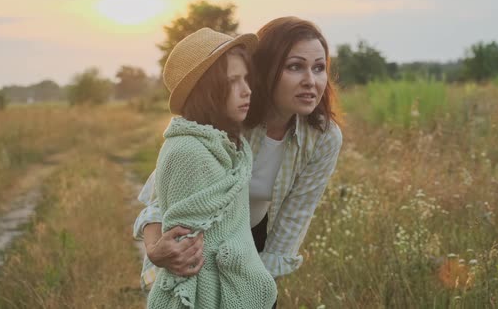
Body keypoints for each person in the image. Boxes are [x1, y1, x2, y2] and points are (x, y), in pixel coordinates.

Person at [134, 17, 343, 304]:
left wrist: (252, 292)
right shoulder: (228, 117)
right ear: (266, 70)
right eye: (295, 66)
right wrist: (155, 250)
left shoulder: (323, 137)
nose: (311, 80)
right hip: (199, 243)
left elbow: (293, 221)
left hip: (251, 238)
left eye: (319, 68)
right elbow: (160, 199)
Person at [145, 27, 277, 309]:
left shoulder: (228, 145)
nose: (247, 90)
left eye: (246, 79)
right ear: (208, 91)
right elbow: (192, 261)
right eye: (232, 81)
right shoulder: (189, 151)